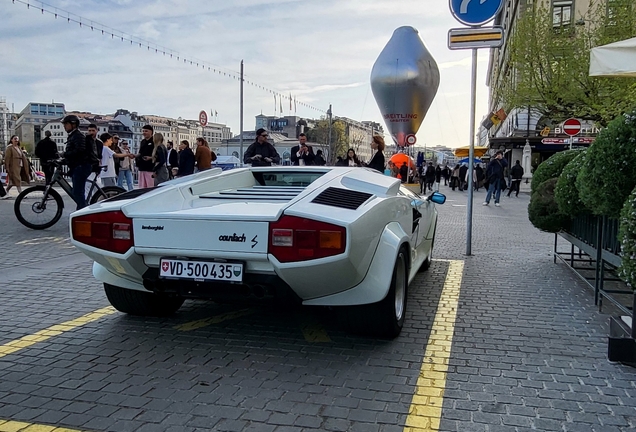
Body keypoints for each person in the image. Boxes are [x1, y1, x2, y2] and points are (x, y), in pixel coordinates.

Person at [61, 115, 97, 209]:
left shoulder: (77, 136)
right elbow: (75, 154)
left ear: (73, 124)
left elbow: (79, 151)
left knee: (78, 192)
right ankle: (81, 210)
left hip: (81, 167)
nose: (64, 126)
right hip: (78, 166)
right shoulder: (73, 135)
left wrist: (64, 154)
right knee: (77, 192)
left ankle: (82, 214)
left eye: (66, 124)